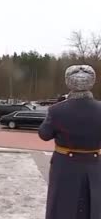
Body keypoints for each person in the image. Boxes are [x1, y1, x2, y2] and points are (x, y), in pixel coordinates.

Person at [39, 65, 101, 219]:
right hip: (95, 165)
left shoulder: (56, 110)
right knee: (93, 206)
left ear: (68, 83)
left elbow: (44, 134)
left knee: (62, 207)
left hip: (65, 165)